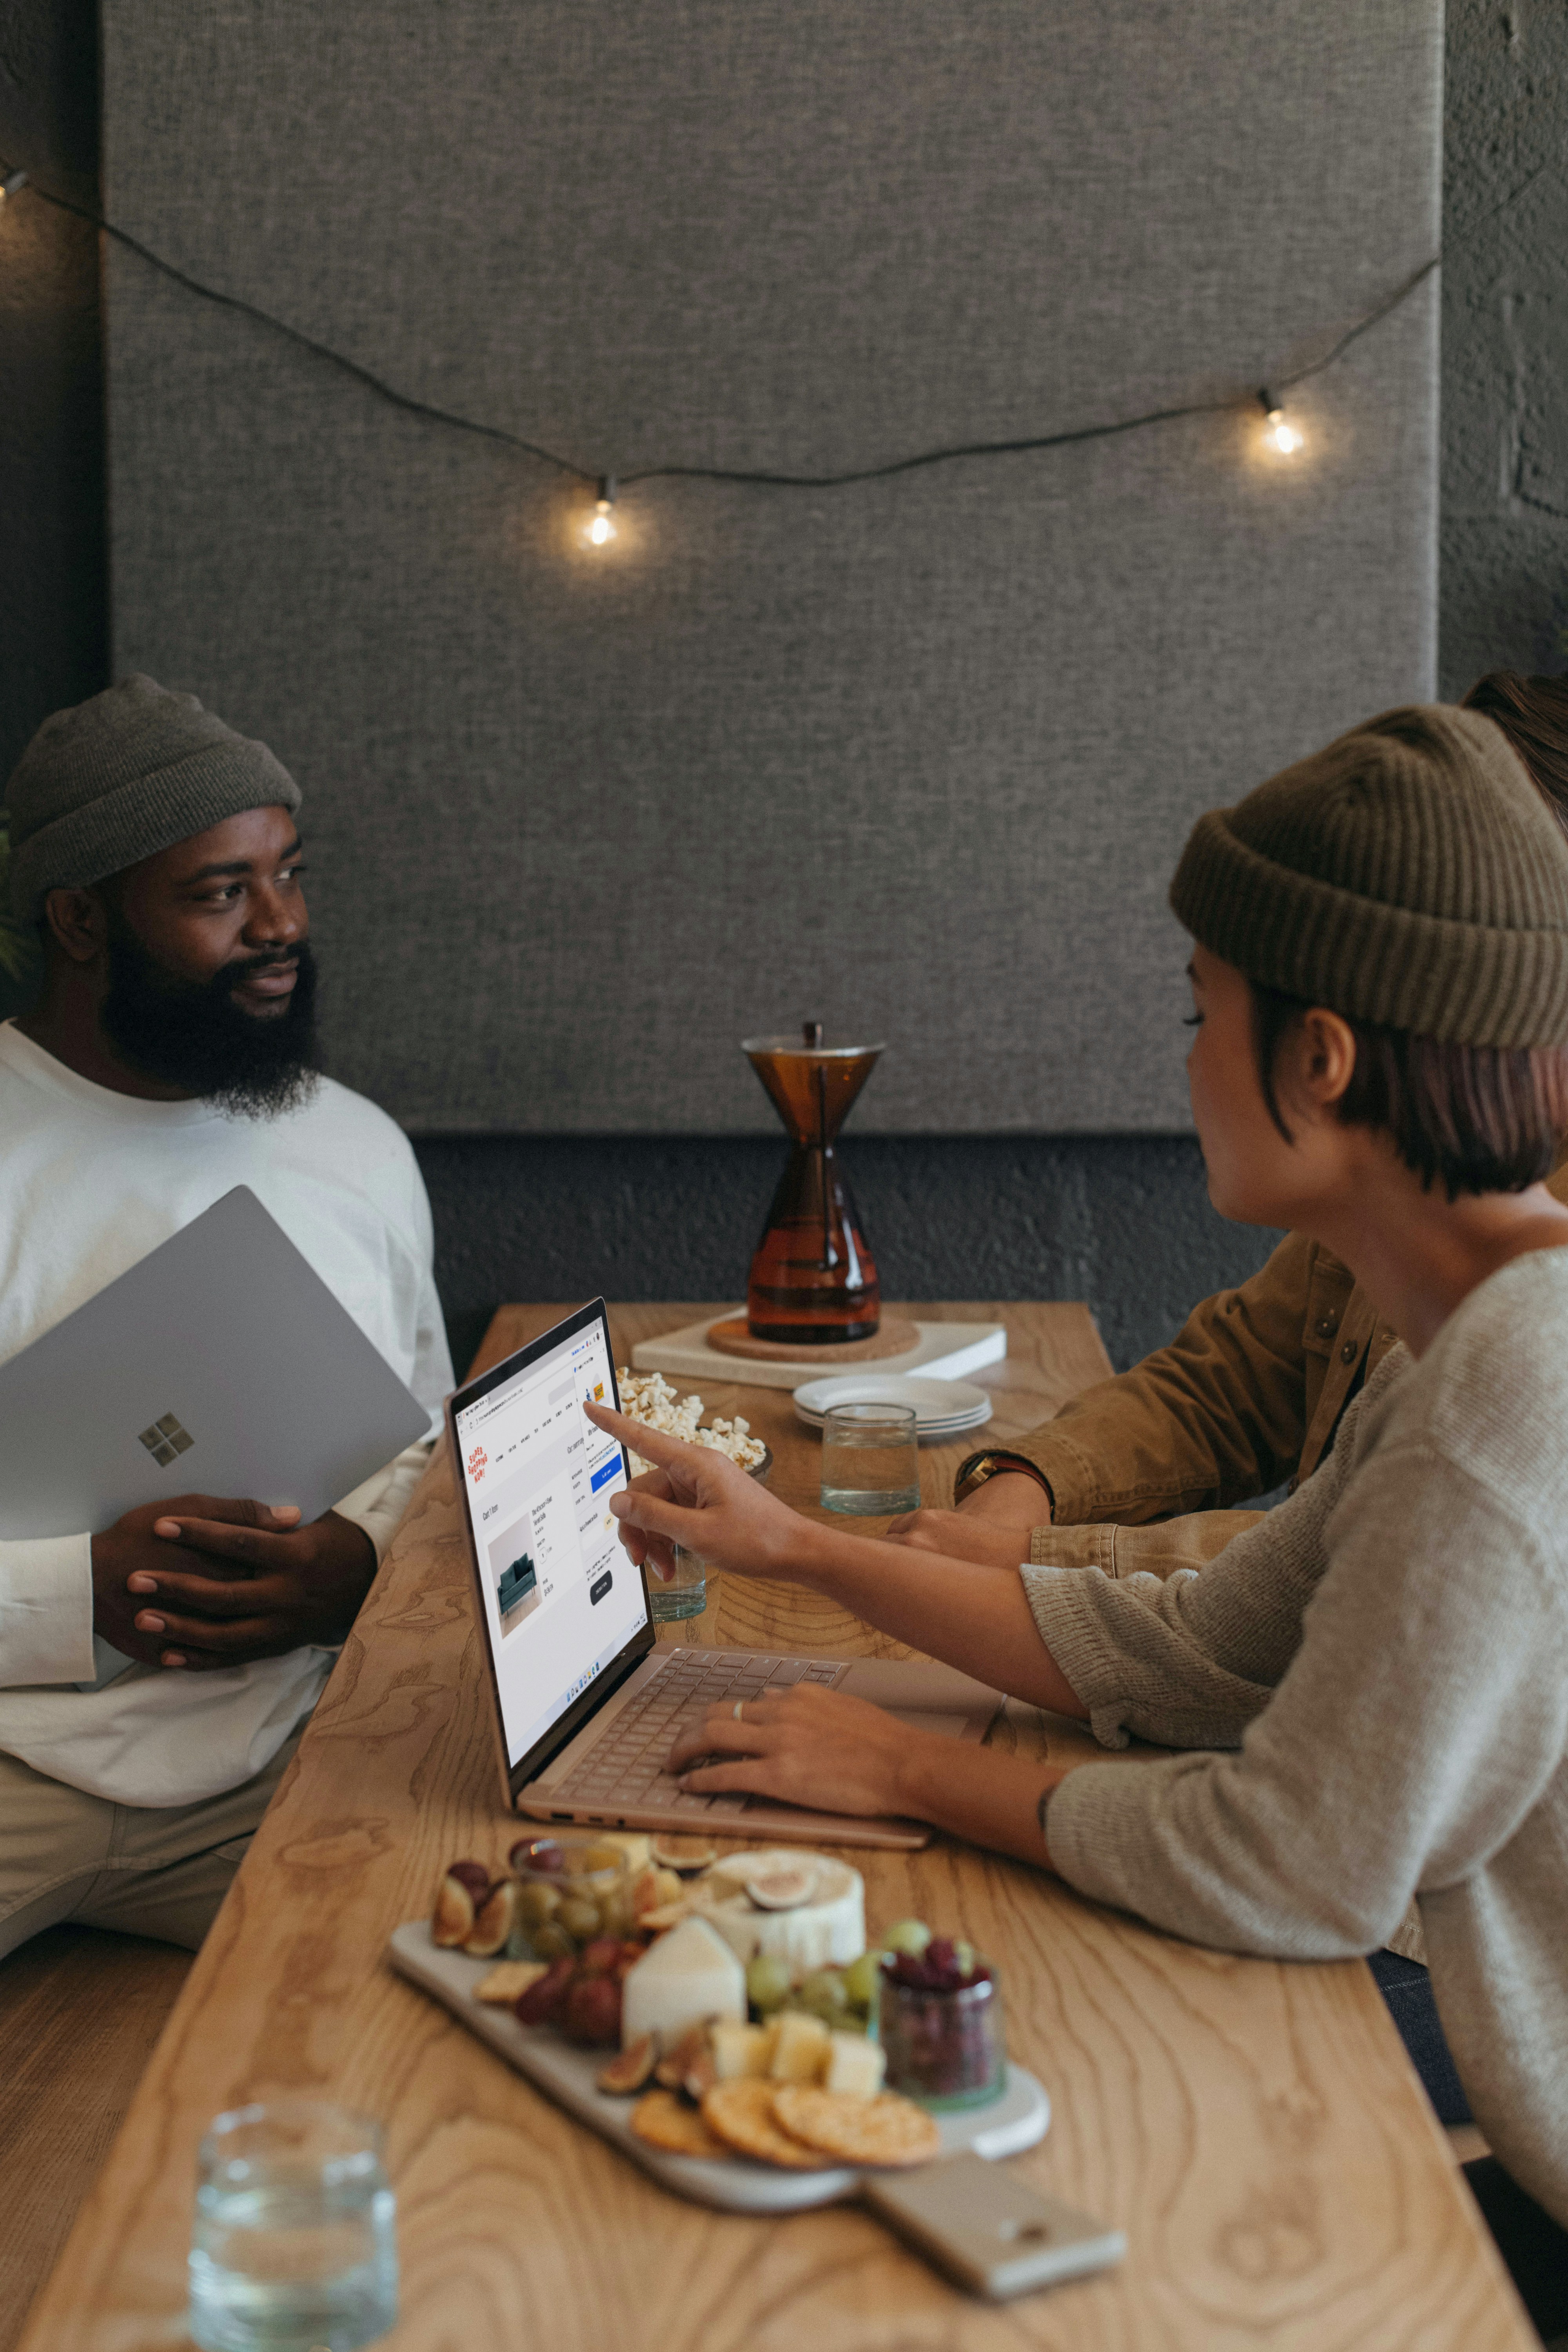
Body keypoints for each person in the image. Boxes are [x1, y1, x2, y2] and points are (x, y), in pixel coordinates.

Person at [588, 706, 1568, 2335]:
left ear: (1318, 1058)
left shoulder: (1502, 1404)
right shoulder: (1461, 1348)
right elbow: (1203, 1648)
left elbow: (1291, 1868)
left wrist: (906, 1769)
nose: (1180, 1059)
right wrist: (797, 1544)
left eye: (1199, 1014)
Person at [0, 675, 453, 1960]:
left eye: (291, 875)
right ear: (80, 919)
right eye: (221, 893)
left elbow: (421, 1446)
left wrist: (352, 1571)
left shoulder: (351, 1145)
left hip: (284, 1761)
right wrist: (71, 1595)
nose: (282, 926)